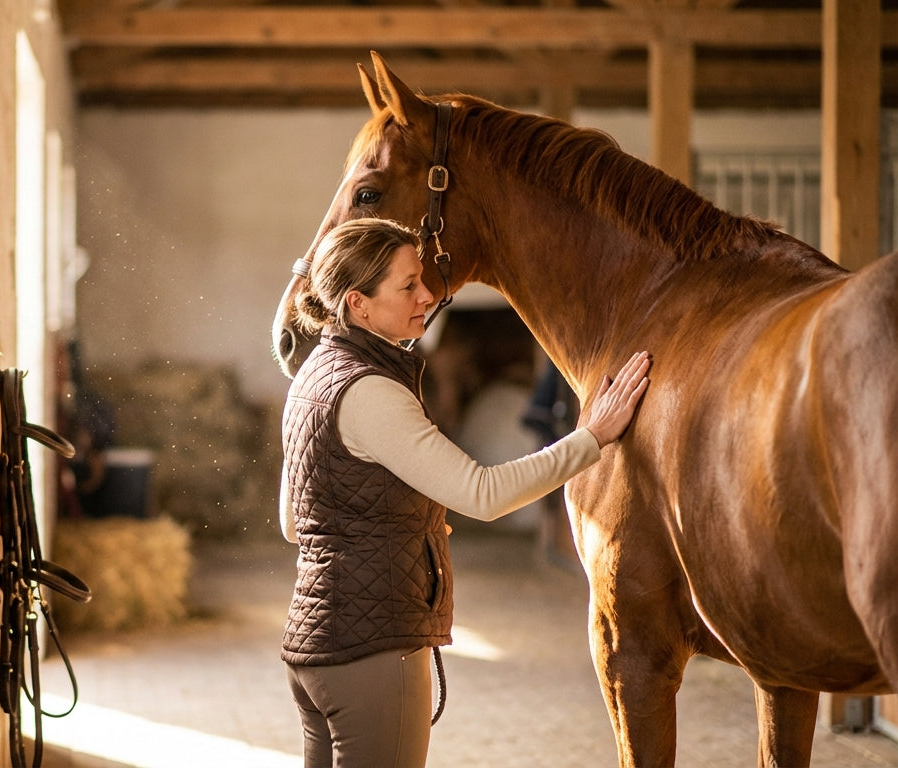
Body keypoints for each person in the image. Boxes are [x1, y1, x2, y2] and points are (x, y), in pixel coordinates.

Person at [279, 217, 650, 768]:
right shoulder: (371, 390)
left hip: (314, 650)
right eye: (407, 286)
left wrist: (405, 517)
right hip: (373, 650)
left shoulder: (314, 376)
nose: (427, 295)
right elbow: (483, 493)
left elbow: (294, 522)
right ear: (357, 304)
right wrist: (591, 439)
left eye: (422, 280)